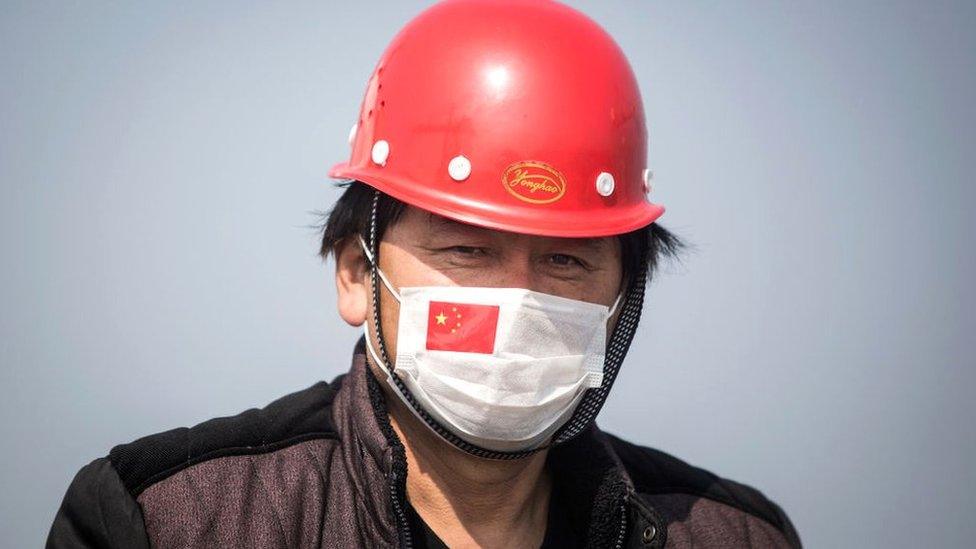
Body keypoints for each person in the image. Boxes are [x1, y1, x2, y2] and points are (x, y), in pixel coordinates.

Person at [47, 1, 800, 547]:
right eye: (466, 251)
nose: (519, 298)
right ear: (354, 273)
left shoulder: (733, 536)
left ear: (623, 297)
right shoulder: (170, 520)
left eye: (566, 259)